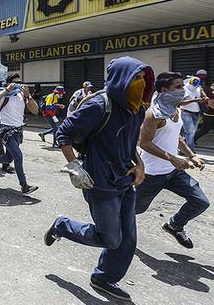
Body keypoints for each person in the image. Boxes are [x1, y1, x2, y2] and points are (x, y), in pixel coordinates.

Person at [44, 57, 155, 302]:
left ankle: (104, 278)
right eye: (135, 78)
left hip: (125, 179)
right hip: (100, 182)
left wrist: (139, 163)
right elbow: (63, 133)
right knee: (110, 238)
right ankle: (62, 225)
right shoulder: (98, 105)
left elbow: (127, 140)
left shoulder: (136, 108)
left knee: (128, 239)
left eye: (142, 78)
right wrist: (74, 166)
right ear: (121, 80)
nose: (140, 83)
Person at [136, 72, 209, 249]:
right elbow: (143, 143)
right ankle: (111, 230)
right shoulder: (153, 114)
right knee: (134, 210)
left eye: (182, 86)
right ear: (164, 89)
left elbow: (177, 137)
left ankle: (175, 225)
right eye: (178, 87)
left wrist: (192, 155)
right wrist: (173, 158)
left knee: (200, 202)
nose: (183, 90)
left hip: (174, 172)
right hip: (152, 174)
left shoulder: (176, 109)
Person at [0, 74, 39, 194]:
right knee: (18, 156)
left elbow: (35, 110)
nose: (18, 84)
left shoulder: (22, 95)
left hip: (18, 130)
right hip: (5, 130)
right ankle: (24, 186)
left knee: (9, 158)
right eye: (15, 82)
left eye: (20, 82)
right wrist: (7, 90)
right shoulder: (3, 94)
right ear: (9, 83)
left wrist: (28, 95)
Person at [180, 76, 208, 152]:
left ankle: (182, 149)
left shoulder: (198, 88)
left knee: (190, 132)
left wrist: (204, 99)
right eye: (193, 85)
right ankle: (190, 151)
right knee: (190, 132)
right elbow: (181, 102)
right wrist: (194, 100)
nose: (194, 87)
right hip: (186, 112)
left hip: (196, 113)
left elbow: (203, 98)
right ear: (189, 82)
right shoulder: (184, 89)